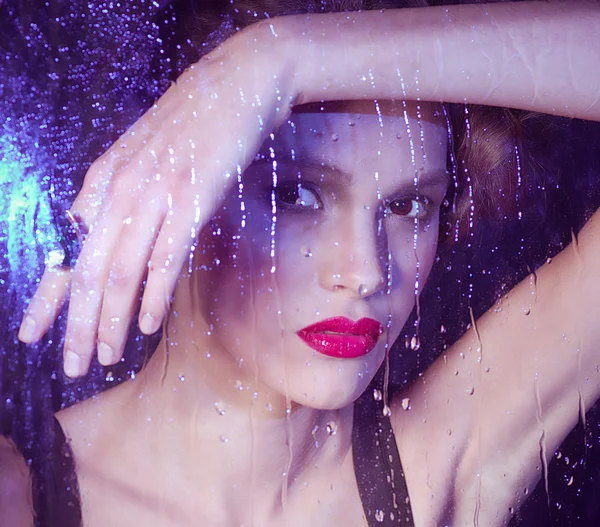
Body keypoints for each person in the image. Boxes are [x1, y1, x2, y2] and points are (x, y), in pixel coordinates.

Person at [4, 0, 600, 525]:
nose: (366, 271)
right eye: (295, 195)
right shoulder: (23, 494)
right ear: (175, 197)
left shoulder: (432, 471)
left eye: (409, 205)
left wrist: (281, 59)